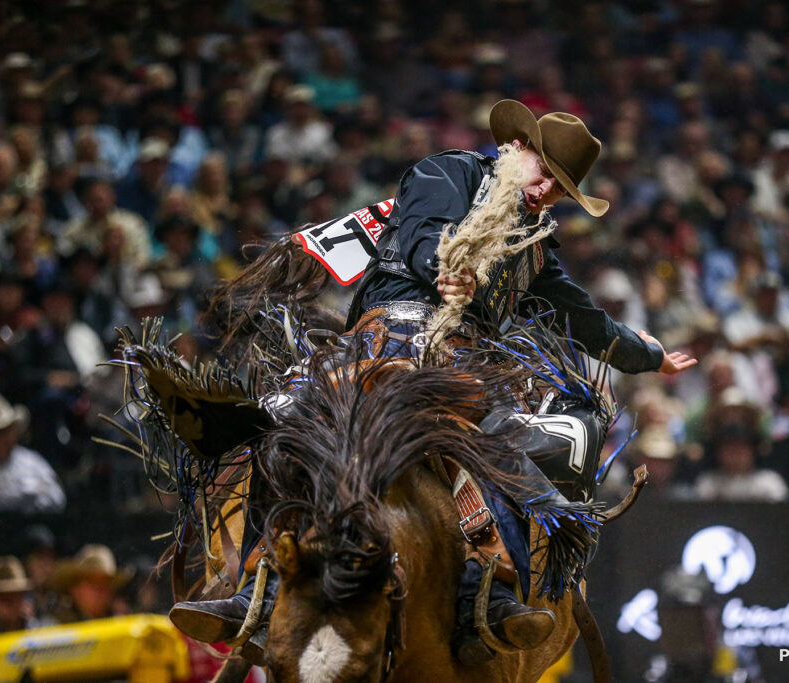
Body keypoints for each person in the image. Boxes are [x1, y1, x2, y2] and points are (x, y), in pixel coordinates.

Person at [170, 100, 697, 665]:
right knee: (276, 428)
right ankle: (256, 584)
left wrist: (648, 354)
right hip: (383, 342)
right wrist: (446, 266)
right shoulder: (449, 171)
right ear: (516, 150)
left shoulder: (534, 244)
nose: (547, 192)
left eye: (561, 189)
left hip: (465, 360)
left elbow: (580, 317)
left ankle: (484, 584)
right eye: (546, 174)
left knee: (500, 446)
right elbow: (425, 233)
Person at [0, 393, 65, 513]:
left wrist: (35, 490)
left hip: (28, 524)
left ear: (13, 432)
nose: (0, 440)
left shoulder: (30, 462)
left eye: (4, 432)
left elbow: (58, 499)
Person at [51, 544, 133, 623]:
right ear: (74, 588)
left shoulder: (120, 625)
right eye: (92, 582)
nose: (99, 589)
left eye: (105, 583)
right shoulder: (54, 626)